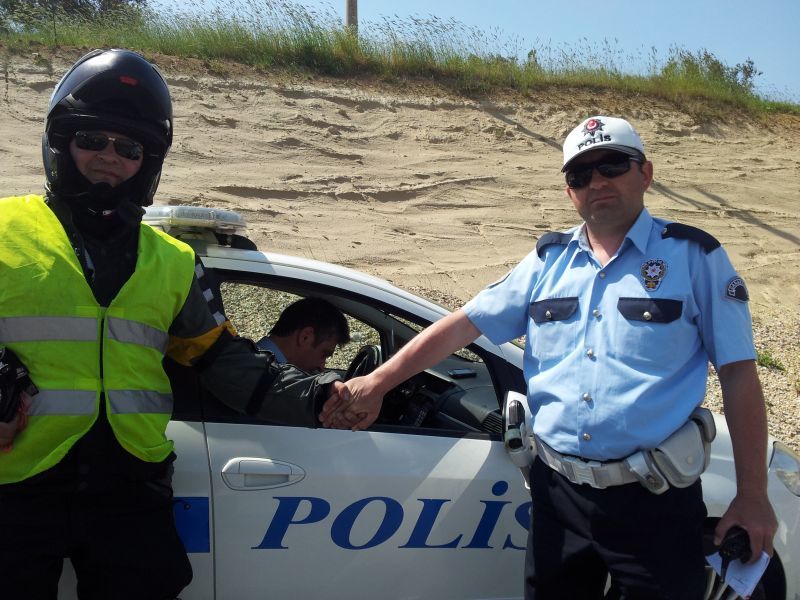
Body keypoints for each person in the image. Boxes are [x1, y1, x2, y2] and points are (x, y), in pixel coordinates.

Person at [323, 116, 778, 598]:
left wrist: (753, 494)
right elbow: (464, 325)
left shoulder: (695, 257)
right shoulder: (547, 261)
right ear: (569, 192)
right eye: (580, 175)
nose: (596, 182)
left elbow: (738, 375)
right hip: (558, 495)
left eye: (612, 165)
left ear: (645, 173)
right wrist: (378, 383)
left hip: (655, 500)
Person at [0, 48, 346, 600]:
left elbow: (223, 361)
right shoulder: (4, 227)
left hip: (128, 485)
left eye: (129, 147)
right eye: (92, 138)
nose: (109, 156)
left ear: (148, 162)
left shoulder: (175, 261)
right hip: (16, 482)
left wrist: (322, 395)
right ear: (61, 143)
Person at [256, 296, 350, 373]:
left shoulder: (253, 362)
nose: (321, 367)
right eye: (323, 355)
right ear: (305, 337)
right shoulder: (269, 378)